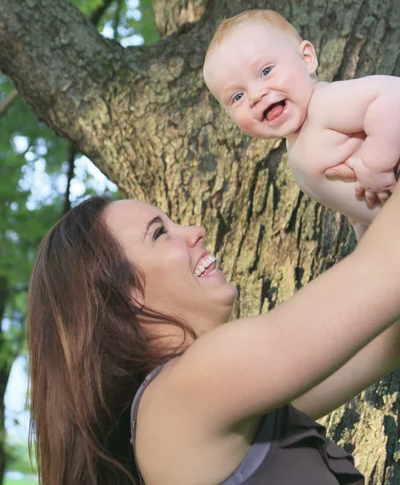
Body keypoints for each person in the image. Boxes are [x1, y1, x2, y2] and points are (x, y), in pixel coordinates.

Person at [27, 183, 400, 484]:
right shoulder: (187, 391)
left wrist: (366, 209)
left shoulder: (213, 406)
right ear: (121, 300)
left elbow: (385, 340)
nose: (196, 231)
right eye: (160, 233)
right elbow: (384, 271)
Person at [203, 9, 400, 239]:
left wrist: (375, 165)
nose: (256, 94)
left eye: (266, 71)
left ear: (306, 59)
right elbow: (354, 206)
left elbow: (393, 97)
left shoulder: (324, 104)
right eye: (237, 97)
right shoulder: (298, 150)